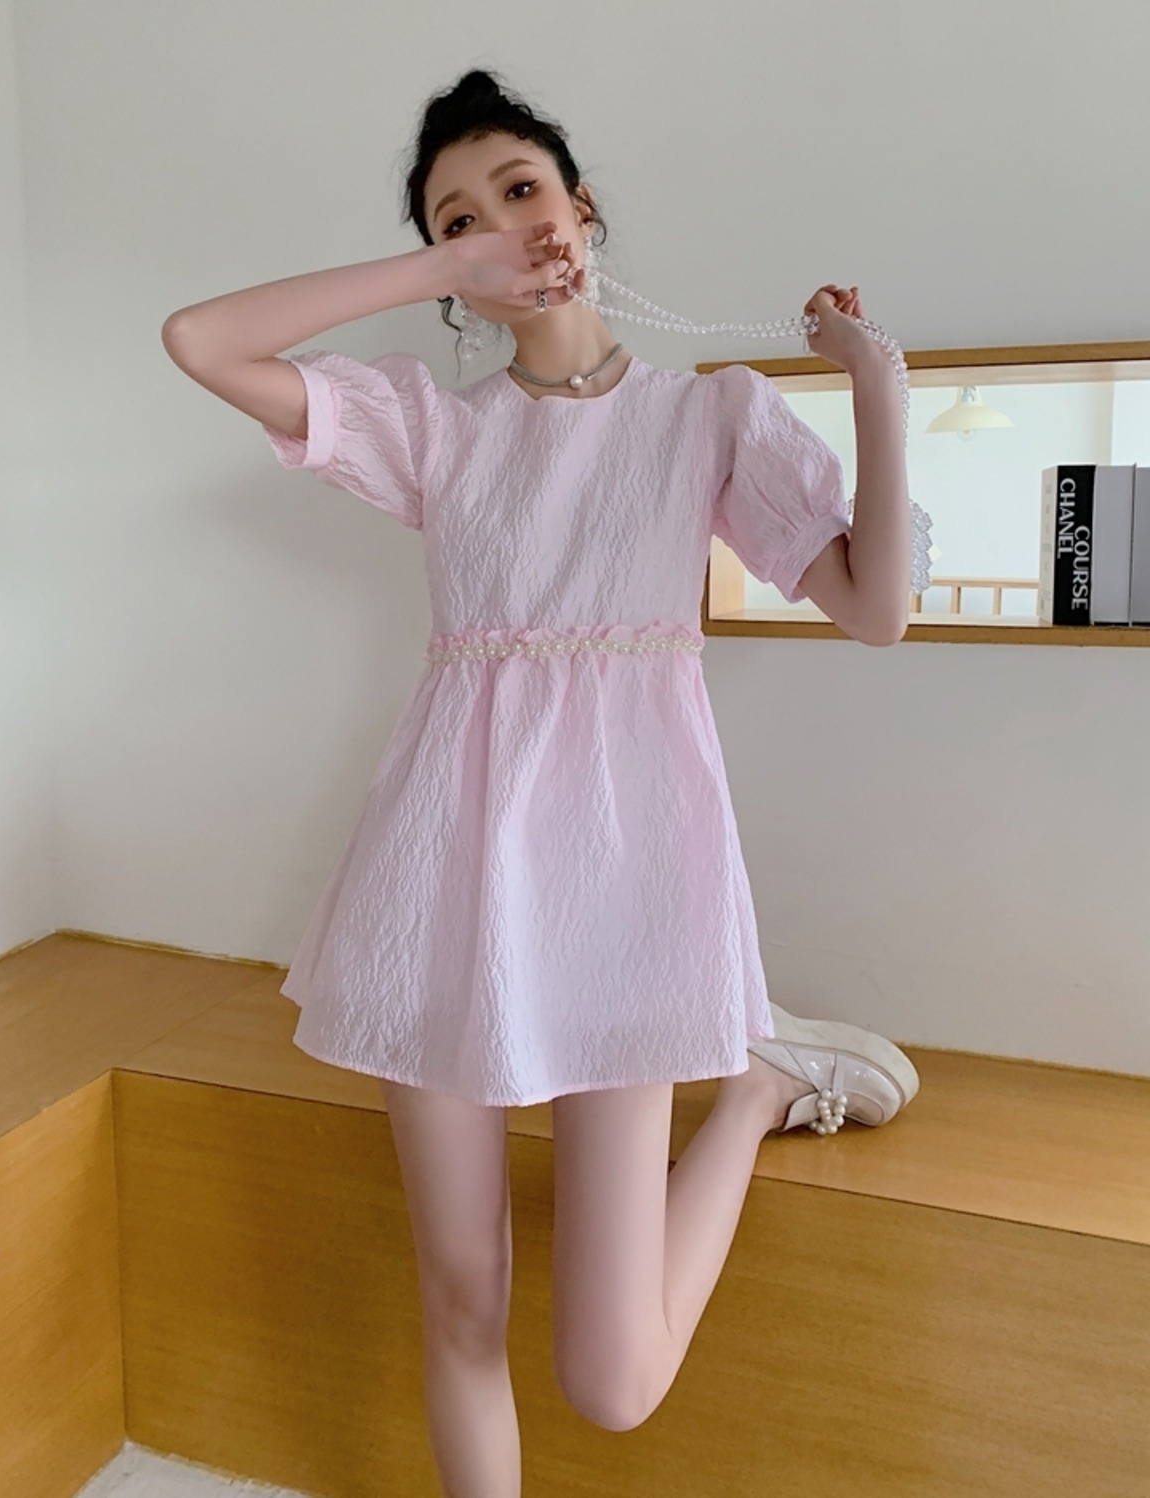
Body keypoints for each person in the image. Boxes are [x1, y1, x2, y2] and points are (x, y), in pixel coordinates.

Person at [162, 66, 920, 1498]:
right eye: (459, 217)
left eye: (521, 190)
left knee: (610, 1382)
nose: (501, 225)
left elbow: (874, 607)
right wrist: (440, 267)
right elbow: (198, 339)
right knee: (462, 1300)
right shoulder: (437, 429)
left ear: (583, 206)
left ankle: (756, 1090)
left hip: (626, 880)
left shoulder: (707, 417)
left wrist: (874, 385)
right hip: (444, 879)